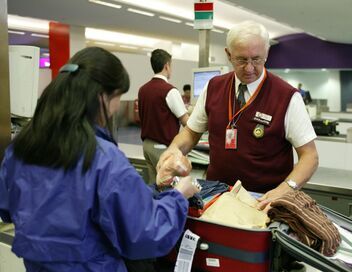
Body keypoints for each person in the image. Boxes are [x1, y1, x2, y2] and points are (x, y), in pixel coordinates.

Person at [0, 47, 200, 272]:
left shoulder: (20, 149)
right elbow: (146, 234)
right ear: (100, 97)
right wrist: (178, 197)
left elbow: (8, 209)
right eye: (117, 98)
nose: (115, 108)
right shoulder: (103, 159)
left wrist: (154, 189)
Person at [157, 21, 319, 212]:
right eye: (241, 60)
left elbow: (310, 156)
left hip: (263, 201)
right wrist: (174, 149)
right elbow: (191, 133)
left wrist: (286, 188)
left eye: (257, 59)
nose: (249, 68)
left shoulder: (286, 97)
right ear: (228, 54)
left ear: (267, 54)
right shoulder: (214, 87)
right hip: (217, 195)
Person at [138, 49, 189, 184]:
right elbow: (186, 122)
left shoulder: (143, 89)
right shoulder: (169, 90)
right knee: (171, 189)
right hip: (162, 148)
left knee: (154, 187)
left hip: (147, 146)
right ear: (167, 65)